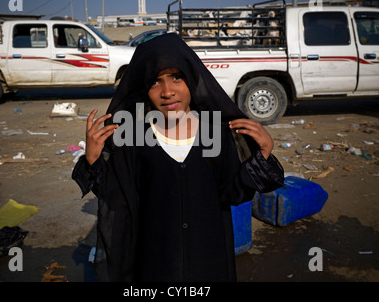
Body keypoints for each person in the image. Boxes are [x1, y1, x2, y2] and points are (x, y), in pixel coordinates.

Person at [72, 33, 284, 282]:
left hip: (208, 260)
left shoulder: (215, 133)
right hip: (155, 263)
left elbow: (233, 192)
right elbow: (119, 197)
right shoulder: (133, 139)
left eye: (176, 77)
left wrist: (264, 153)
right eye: (155, 82)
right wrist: (93, 161)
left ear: (192, 78)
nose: (167, 91)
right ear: (144, 89)